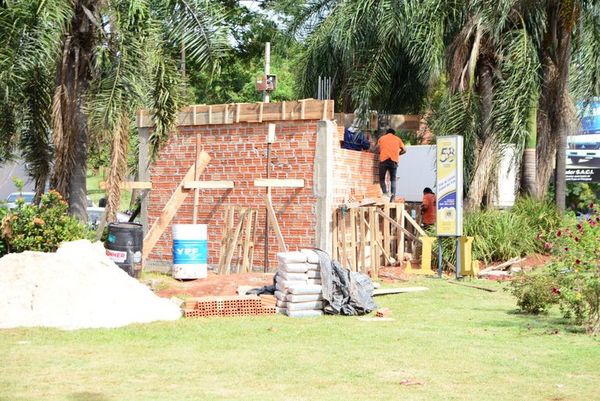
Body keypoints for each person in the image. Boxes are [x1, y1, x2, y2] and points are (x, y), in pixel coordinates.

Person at [376, 128, 406, 201]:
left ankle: (385, 194)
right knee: (393, 179)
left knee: (382, 178)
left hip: (383, 160)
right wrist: (398, 154)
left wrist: (382, 152)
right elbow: (404, 150)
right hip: (393, 161)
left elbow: (377, 149)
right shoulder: (398, 139)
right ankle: (392, 197)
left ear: (386, 133)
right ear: (394, 133)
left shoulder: (381, 138)